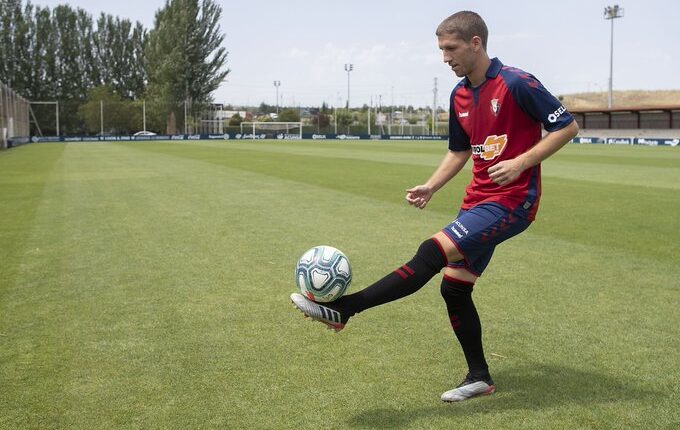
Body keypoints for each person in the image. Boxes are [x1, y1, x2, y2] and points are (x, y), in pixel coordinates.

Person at [291, 10, 579, 402]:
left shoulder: (516, 82)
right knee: (455, 290)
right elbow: (459, 151)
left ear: (475, 43)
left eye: (451, 48)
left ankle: (346, 308)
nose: (445, 57)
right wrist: (431, 185)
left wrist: (522, 161)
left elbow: (567, 127)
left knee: (431, 252)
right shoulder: (459, 94)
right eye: (441, 49)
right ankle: (479, 377)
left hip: (513, 202)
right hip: (477, 202)